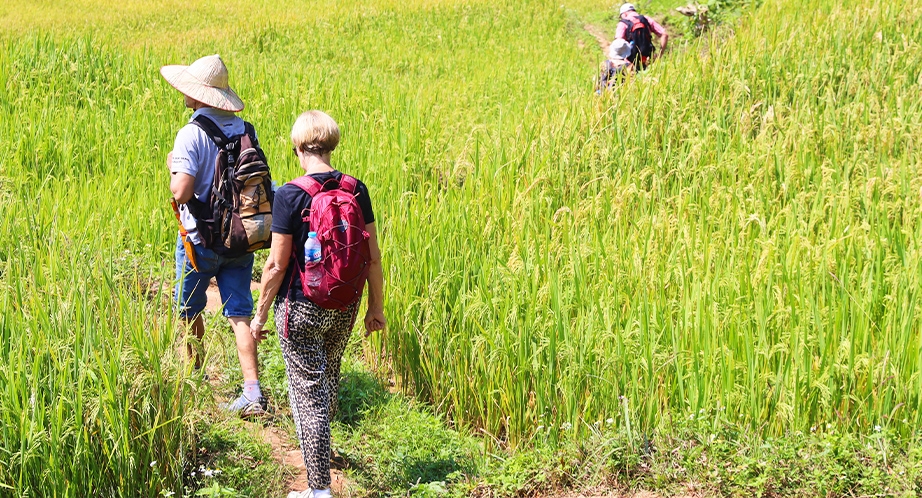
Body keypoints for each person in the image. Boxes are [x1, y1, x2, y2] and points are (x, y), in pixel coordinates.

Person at [249, 110, 386, 498]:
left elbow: (276, 264)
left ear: (297, 147)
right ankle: (322, 456)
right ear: (331, 144)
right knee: (327, 377)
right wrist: (376, 306)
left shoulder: (291, 194)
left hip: (301, 305)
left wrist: (260, 315)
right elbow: (373, 255)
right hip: (345, 302)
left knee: (306, 392)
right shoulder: (356, 189)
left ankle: (318, 489)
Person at [161, 54, 267, 416]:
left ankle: (194, 382)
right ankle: (253, 392)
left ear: (198, 95)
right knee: (239, 313)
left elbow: (182, 192)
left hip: (199, 240)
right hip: (241, 236)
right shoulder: (245, 129)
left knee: (189, 310)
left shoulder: (191, 133)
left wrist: (173, 167)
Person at [615, 3, 669, 68]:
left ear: (625, 13)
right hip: (648, 59)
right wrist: (660, 54)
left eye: (621, 16)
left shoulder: (623, 23)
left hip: (629, 62)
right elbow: (665, 35)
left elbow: (618, 42)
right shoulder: (646, 19)